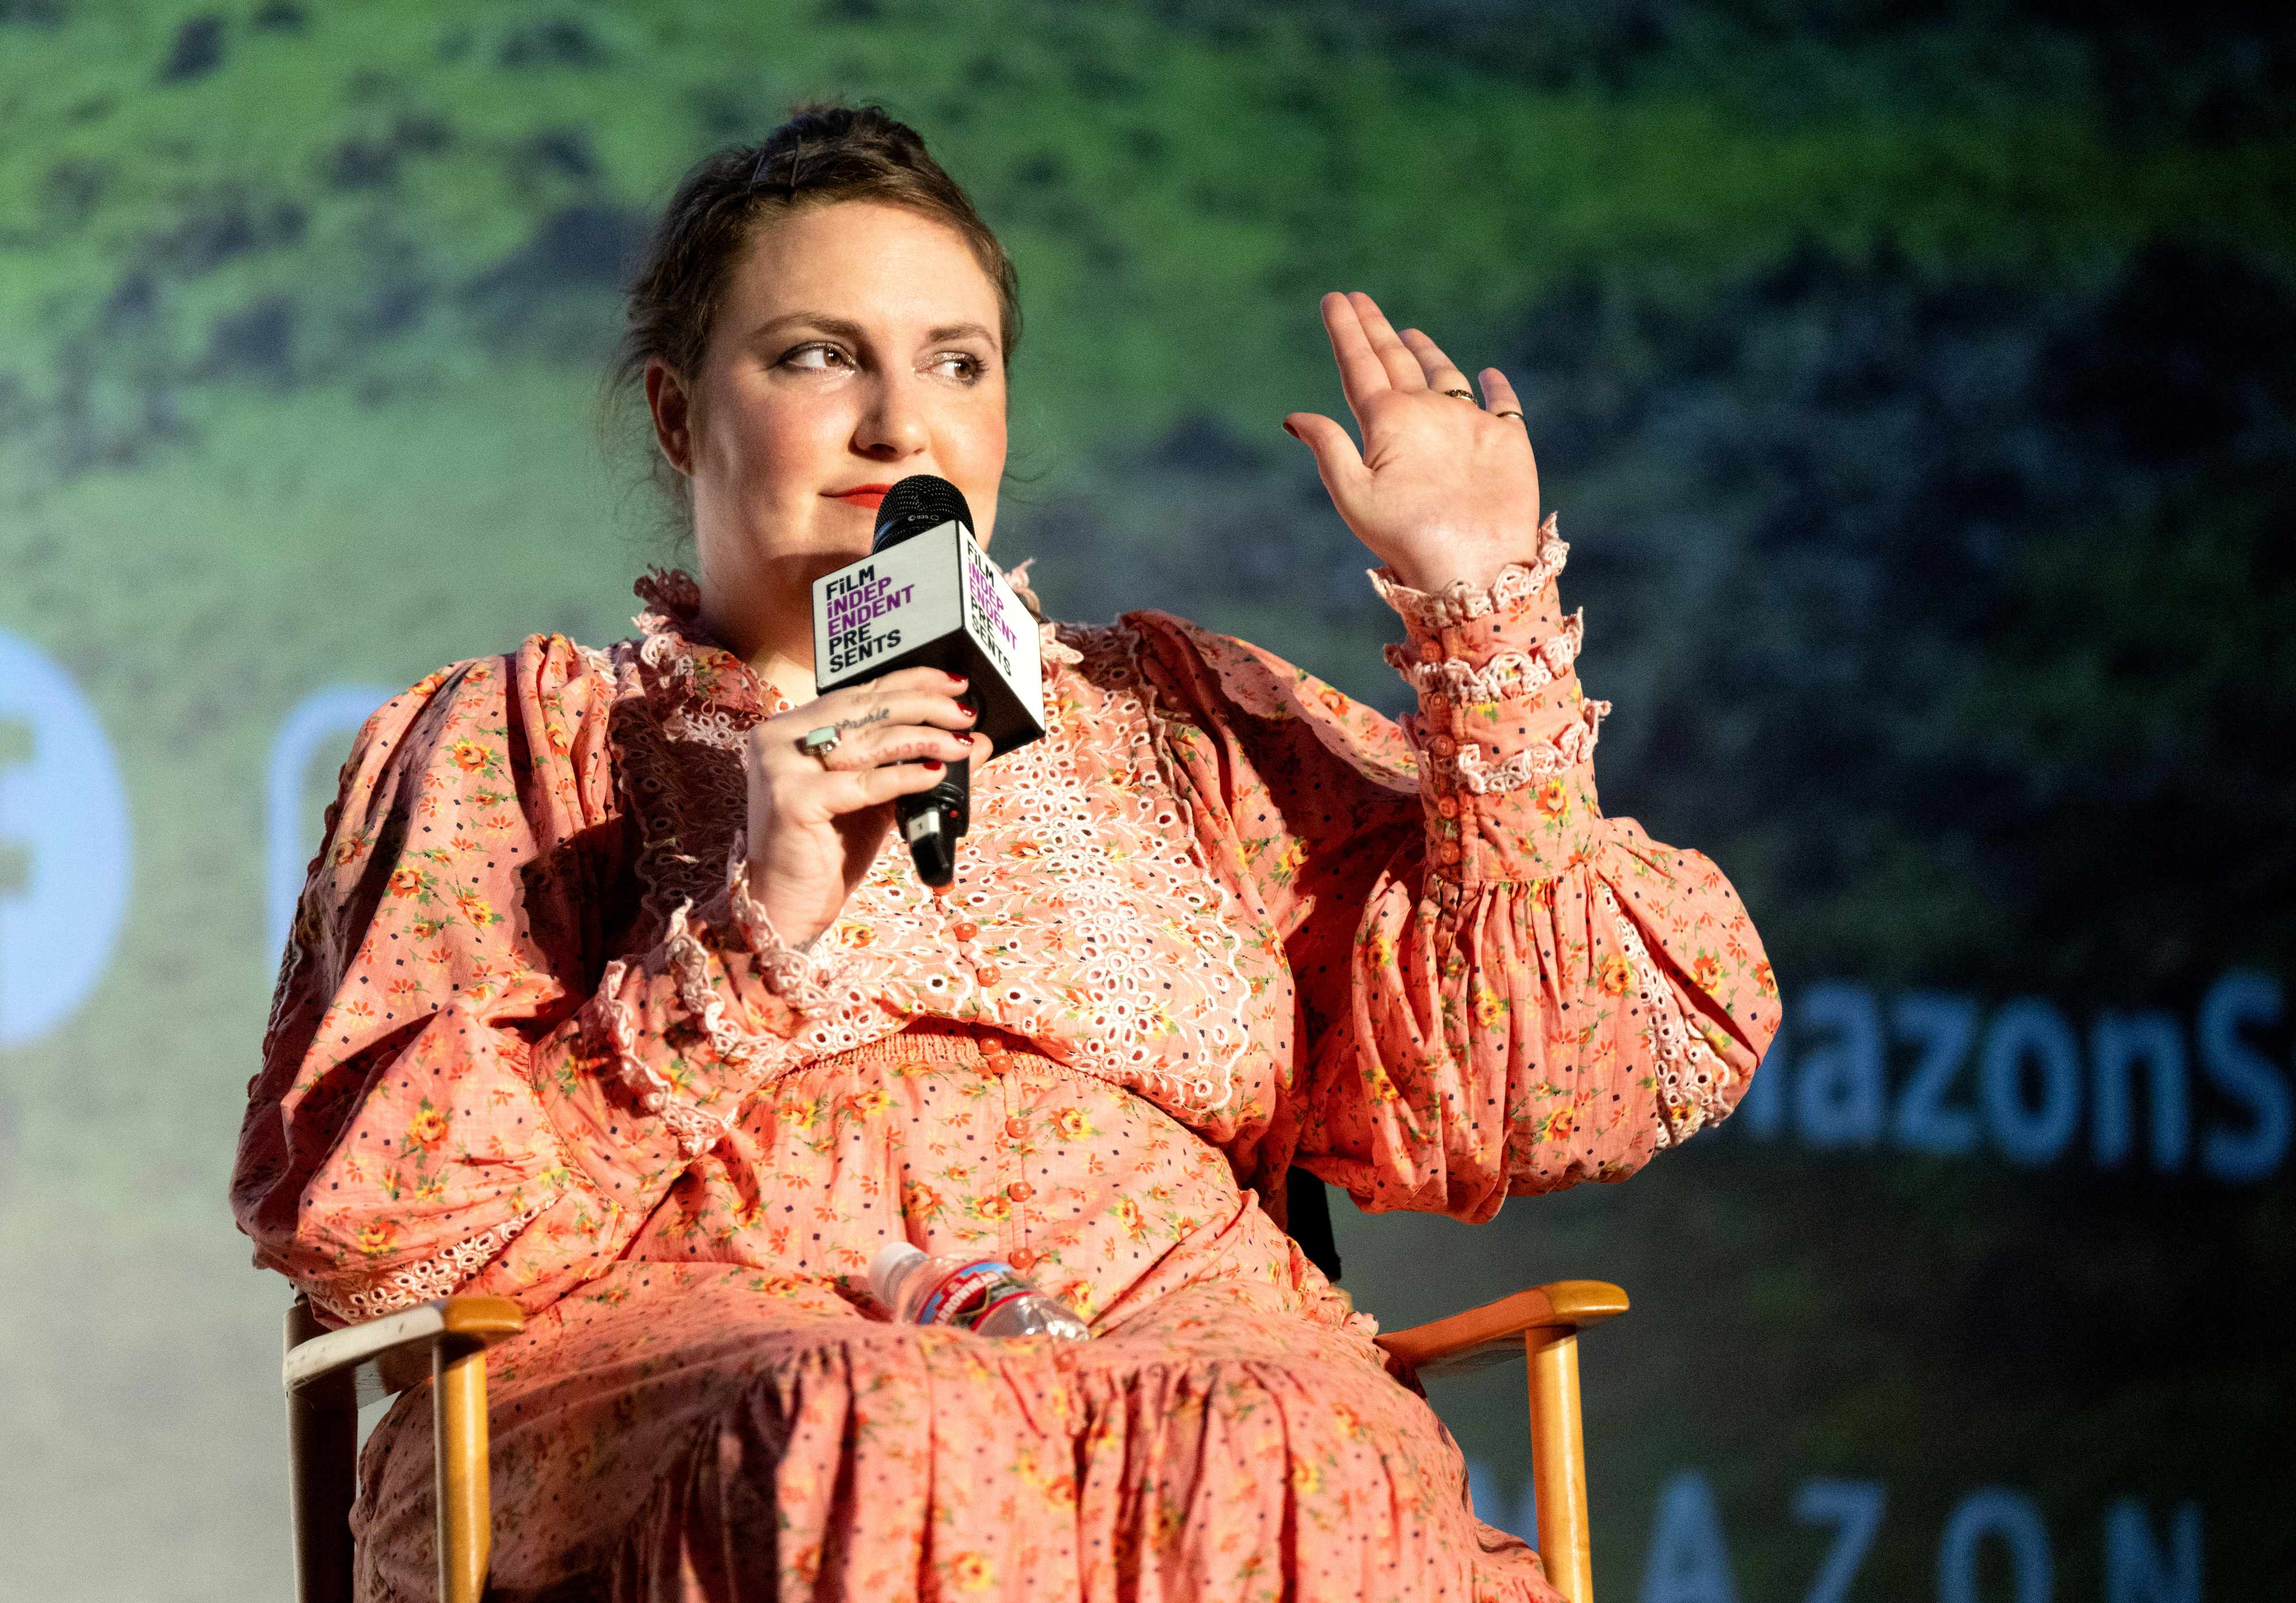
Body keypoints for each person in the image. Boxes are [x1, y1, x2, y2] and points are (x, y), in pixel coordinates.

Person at [233, 104, 1777, 1602]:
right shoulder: (528, 740)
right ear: (675, 411)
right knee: (881, 1425)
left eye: (954, 365)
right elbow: (382, 1230)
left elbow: (1554, 1078)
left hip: (1185, 1334)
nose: (900, 422)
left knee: (1292, 1455)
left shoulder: (1176, 718)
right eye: (817, 355)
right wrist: (747, 932)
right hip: (717, 1352)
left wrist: (1477, 606)